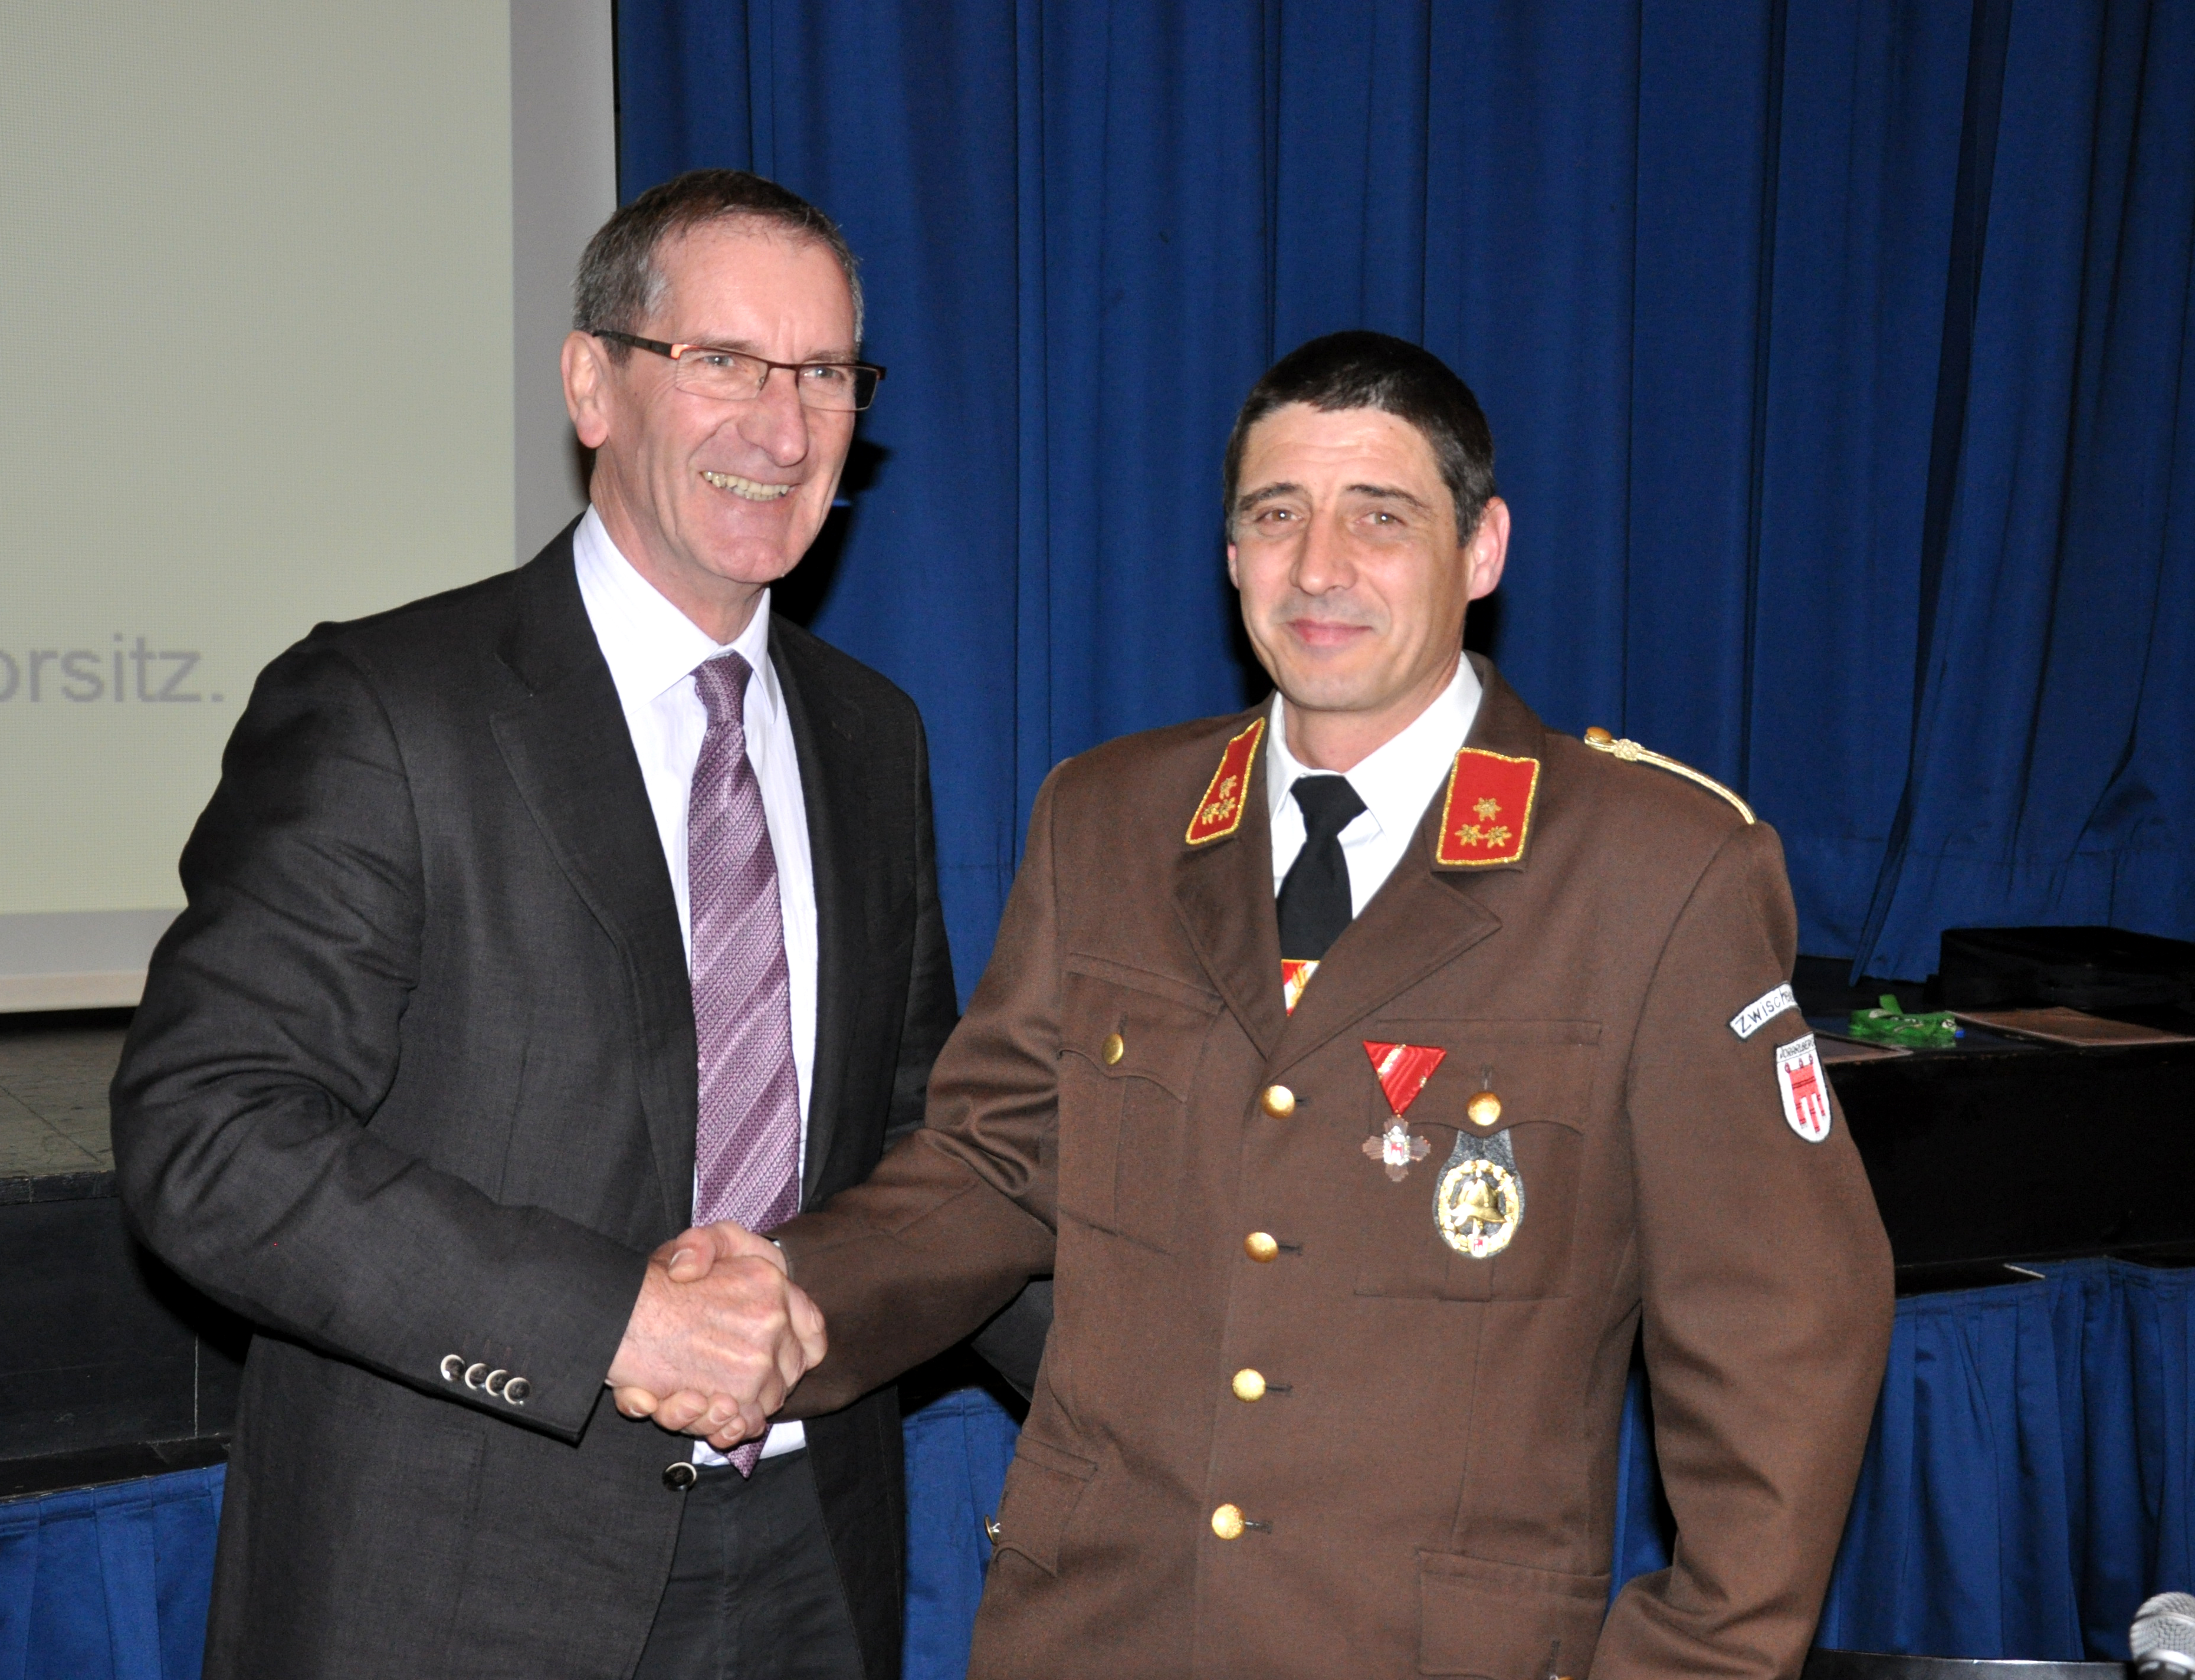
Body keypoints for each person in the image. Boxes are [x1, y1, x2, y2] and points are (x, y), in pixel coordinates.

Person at [692, 330, 1897, 1678]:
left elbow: (1783, 1333)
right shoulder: (1111, 818)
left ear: (1481, 549)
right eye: (1276, 516)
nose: (1319, 567)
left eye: (1380, 517)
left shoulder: (1655, 871)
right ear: (1230, 555)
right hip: (1092, 1634)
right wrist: (783, 1301)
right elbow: (993, 1168)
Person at [111, 169, 1035, 1680]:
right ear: (592, 385)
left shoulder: (872, 734)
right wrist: (616, 1322)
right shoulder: (389, 708)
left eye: (823, 374)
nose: (783, 427)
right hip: (459, 1587)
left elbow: (917, 1142)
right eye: (723, 361)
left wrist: (1186, 1412)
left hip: (813, 1563)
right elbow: (210, 1136)